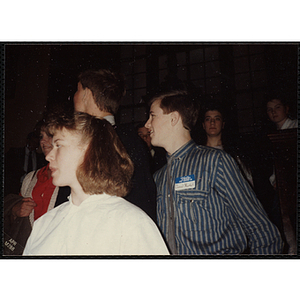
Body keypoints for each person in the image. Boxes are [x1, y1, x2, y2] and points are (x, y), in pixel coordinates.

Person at [145, 90, 283, 255]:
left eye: (152, 116)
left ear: (173, 118)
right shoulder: (157, 177)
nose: (147, 124)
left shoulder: (214, 162)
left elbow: (263, 232)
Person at [23, 112, 169, 255]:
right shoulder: (44, 223)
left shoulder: (130, 222)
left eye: (59, 145)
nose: (48, 156)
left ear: (89, 151)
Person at [73, 69, 157, 221]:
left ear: (86, 94)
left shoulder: (127, 142)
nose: (74, 97)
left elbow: (141, 200)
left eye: (77, 91)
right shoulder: (131, 140)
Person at [4, 116, 70, 255]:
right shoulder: (31, 177)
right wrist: (16, 210)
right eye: (41, 136)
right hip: (27, 247)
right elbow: (16, 213)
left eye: (49, 135)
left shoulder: (71, 179)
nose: (42, 141)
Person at [200, 103, 253, 187]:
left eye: (217, 119)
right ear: (203, 125)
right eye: (208, 119)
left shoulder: (233, 154)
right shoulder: (198, 153)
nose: (212, 122)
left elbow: (247, 184)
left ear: (223, 124)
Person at [5, 130, 45, 196]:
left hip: (31, 187)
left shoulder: (40, 158)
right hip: (15, 187)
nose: (34, 145)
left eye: (36, 143)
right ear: (28, 141)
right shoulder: (15, 153)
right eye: (33, 142)